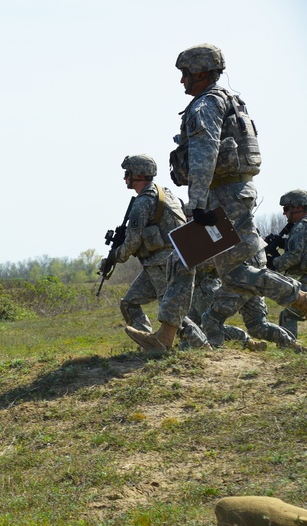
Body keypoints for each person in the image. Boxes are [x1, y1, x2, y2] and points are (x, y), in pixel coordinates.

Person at [169, 44, 307, 321]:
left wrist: (196, 204)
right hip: (232, 192)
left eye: (185, 73)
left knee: (230, 272)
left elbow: (203, 153)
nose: (182, 80)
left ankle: (300, 298)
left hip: (222, 196)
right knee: (192, 263)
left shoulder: (206, 103)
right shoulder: (228, 100)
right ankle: (170, 331)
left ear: (202, 72)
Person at [106, 156, 201, 351]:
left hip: (162, 264)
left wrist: (115, 256)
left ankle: (201, 347)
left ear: (138, 174)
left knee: (173, 314)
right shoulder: (166, 193)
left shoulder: (143, 203)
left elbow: (132, 242)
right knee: (129, 303)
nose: (125, 179)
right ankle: (148, 344)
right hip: (159, 263)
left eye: (127, 174)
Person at [271, 190, 307, 337]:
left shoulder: (300, 227)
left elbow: (294, 256)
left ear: (298, 207)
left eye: (286, 208)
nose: (284, 213)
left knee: (290, 312)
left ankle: (289, 348)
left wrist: (274, 263)